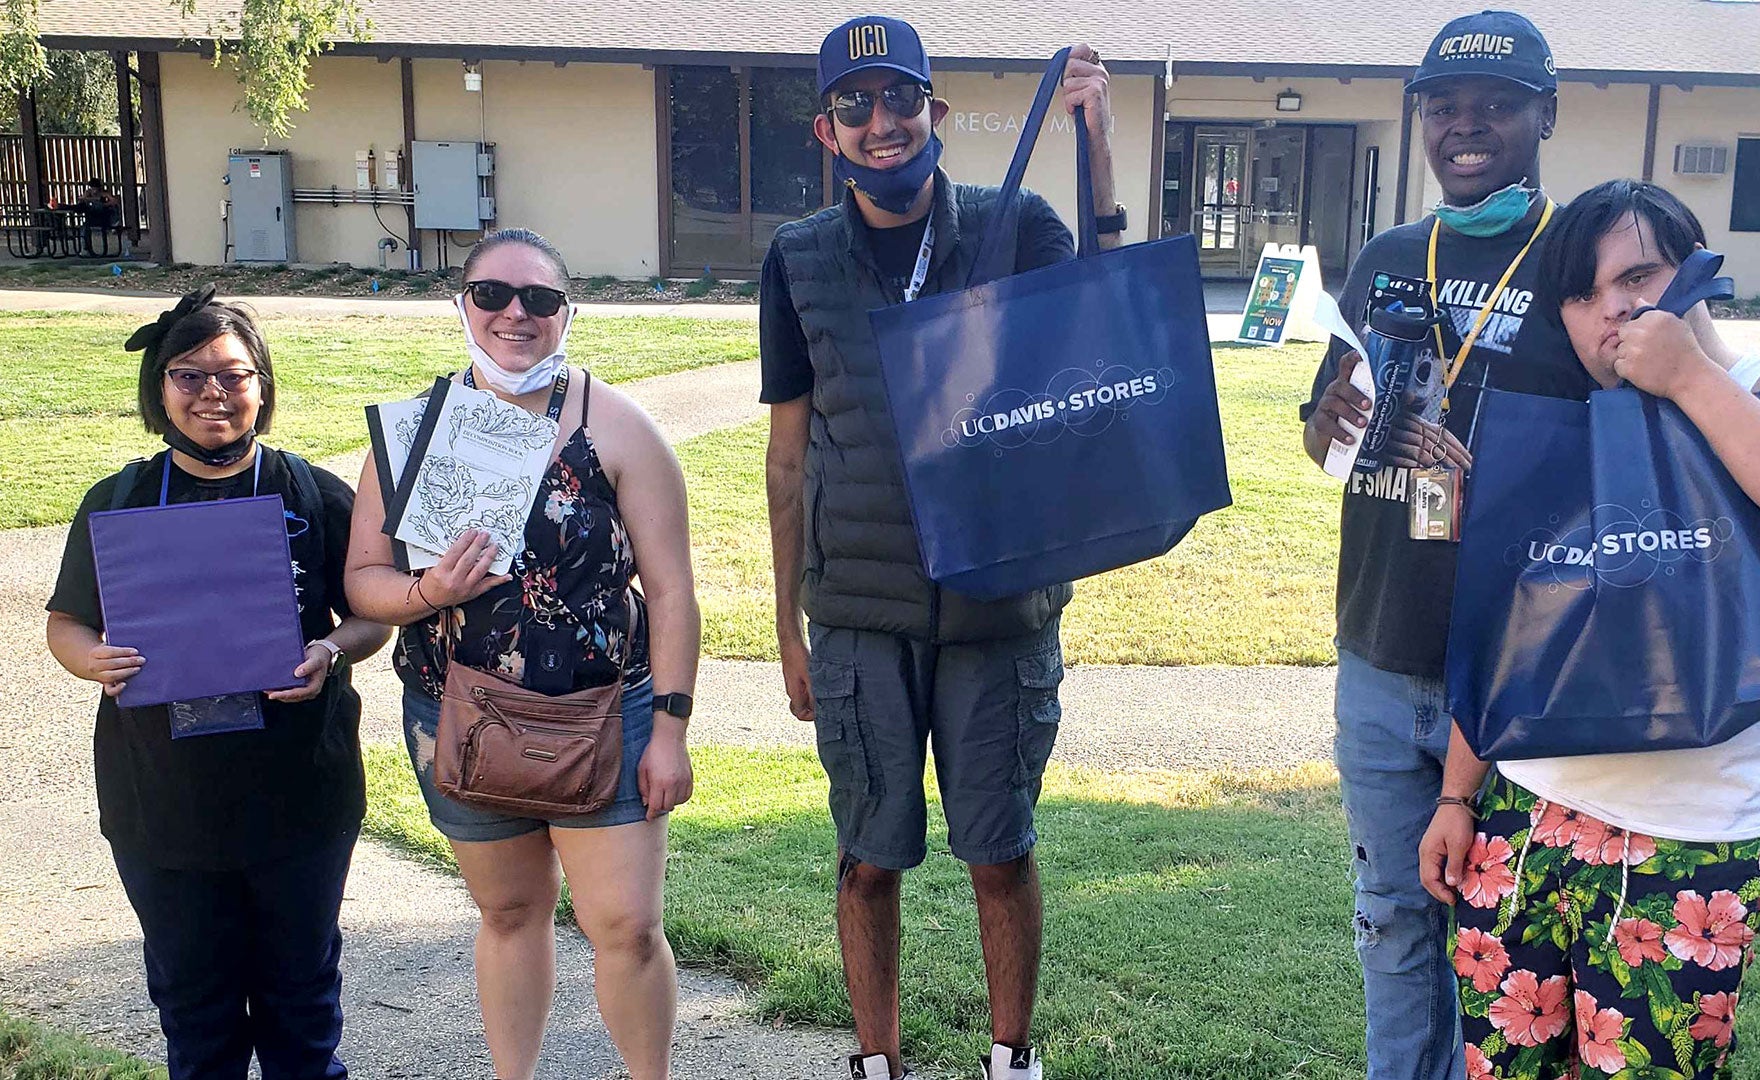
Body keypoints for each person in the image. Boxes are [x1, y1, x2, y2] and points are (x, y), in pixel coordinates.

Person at [1418, 178, 1760, 1079]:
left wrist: (1689, 378)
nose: (1614, 310)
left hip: (1692, 841)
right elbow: (1515, 633)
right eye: (1583, 295)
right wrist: (1456, 795)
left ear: (1698, 269)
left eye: (1639, 274)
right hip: (1524, 818)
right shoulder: (1565, 430)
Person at [759, 16, 1125, 1080]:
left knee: (999, 853)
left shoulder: (1017, 226)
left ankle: (1012, 1060)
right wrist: (785, 627)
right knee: (868, 860)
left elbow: (1109, 313)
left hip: (997, 606)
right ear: (828, 130)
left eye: (902, 100)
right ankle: (877, 1062)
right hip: (862, 616)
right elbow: (788, 459)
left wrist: (1095, 138)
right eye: (857, 105)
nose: (883, 123)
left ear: (938, 114)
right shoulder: (799, 260)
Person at [1299, 11, 1595, 1080]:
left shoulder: (1579, 256)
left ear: (1545, 115)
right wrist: (1323, 416)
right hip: (1377, 648)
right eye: (1445, 108)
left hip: (1515, 668)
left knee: (1503, 940)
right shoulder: (1385, 256)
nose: (1466, 127)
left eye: (1497, 106)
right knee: (1388, 918)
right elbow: (1320, 432)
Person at [343, 228, 699, 1080]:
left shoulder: (617, 427)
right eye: (493, 295)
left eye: (539, 299)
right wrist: (430, 593)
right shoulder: (416, 433)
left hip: (603, 717)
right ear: (461, 304)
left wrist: (673, 729)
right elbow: (362, 579)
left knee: (624, 926)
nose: (515, 315)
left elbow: (677, 592)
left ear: (566, 313)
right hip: (459, 712)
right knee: (508, 911)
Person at [45, 288, 389, 1079]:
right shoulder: (120, 500)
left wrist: (331, 650)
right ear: (158, 390)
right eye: (189, 375)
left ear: (262, 387)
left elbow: (373, 616)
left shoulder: (311, 492)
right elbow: (67, 623)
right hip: (162, 802)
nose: (212, 394)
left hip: (299, 797)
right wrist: (89, 658)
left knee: (301, 1003)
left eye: (233, 376)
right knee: (195, 1012)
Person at [79, 177, 122, 255]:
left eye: (95, 187)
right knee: (85, 228)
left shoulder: (104, 194)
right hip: (92, 216)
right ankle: (87, 247)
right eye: (92, 187)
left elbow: (114, 201)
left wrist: (104, 204)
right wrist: (88, 199)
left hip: (103, 217)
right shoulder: (88, 193)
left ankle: (114, 222)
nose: (94, 189)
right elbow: (82, 199)